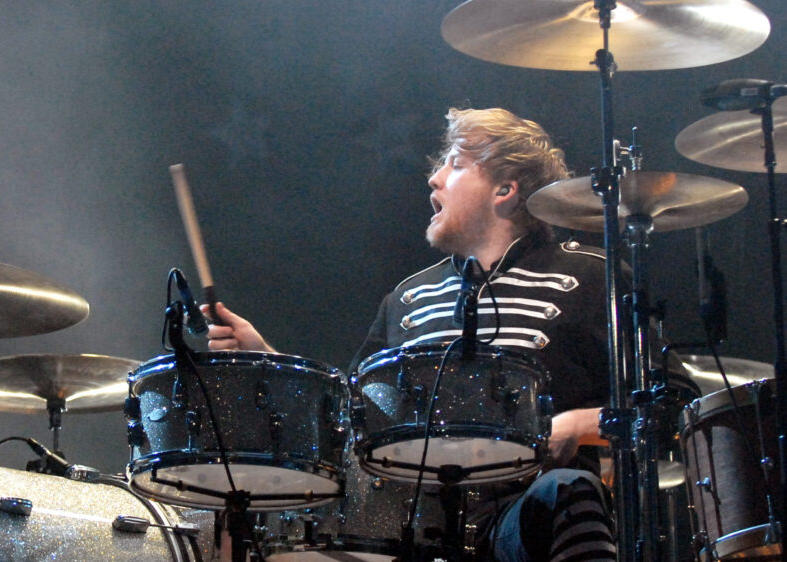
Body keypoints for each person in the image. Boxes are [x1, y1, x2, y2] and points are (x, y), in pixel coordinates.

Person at [204, 107, 617, 561]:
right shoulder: (409, 297)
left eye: (456, 164)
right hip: (413, 530)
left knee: (568, 488)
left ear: (505, 189)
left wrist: (577, 424)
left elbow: (665, 406)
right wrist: (267, 357)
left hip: (524, 518)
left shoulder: (591, 276)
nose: (435, 179)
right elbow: (352, 413)